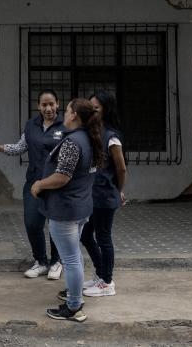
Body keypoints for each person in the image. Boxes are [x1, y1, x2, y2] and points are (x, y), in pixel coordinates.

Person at [30, 98, 103, 322]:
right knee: (74, 256)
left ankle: (73, 307)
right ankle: (74, 299)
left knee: (70, 259)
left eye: (68, 109)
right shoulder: (89, 138)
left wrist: (40, 184)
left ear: (73, 116)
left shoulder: (73, 142)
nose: (64, 112)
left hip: (66, 209)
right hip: (80, 207)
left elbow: (62, 177)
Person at [0, 90, 64, 280]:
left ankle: (56, 262)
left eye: (51, 104)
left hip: (57, 184)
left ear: (58, 104)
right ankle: (41, 261)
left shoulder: (66, 126)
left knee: (55, 225)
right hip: (34, 184)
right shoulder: (31, 125)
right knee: (32, 223)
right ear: (38, 106)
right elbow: (20, 147)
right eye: (44, 105)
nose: (48, 108)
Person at [80, 91, 127, 297]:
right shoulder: (94, 132)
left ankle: (107, 282)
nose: (92, 112)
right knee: (85, 235)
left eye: (96, 108)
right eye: (90, 108)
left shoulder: (112, 137)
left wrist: (118, 191)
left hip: (105, 196)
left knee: (103, 238)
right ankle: (101, 273)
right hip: (94, 196)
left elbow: (121, 168)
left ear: (106, 110)